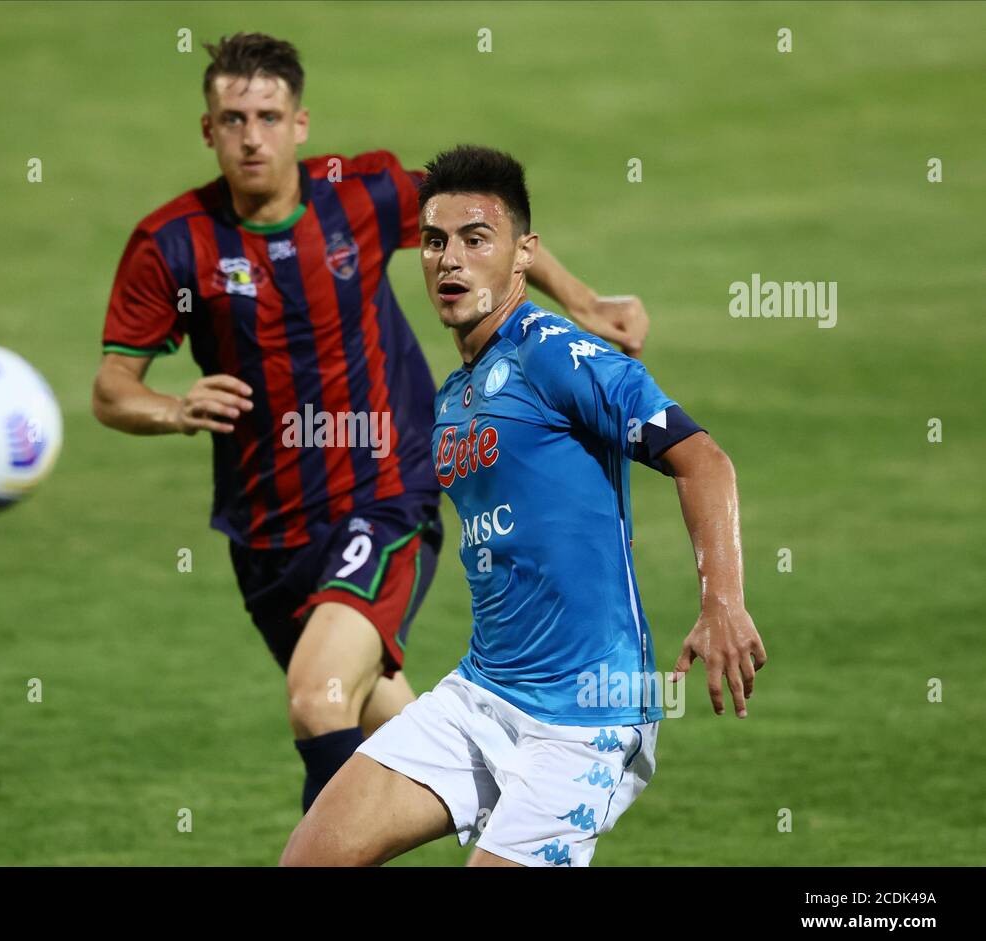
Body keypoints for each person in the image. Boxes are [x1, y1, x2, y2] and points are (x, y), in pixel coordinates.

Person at [92, 34, 653, 815]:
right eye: (231, 118)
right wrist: (176, 409)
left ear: (300, 124)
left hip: (384, 493)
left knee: (317, 698)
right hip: (266, 534)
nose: (250, 136)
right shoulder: (173, 243)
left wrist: (583, 302)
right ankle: (539, 810)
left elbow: (480, 220)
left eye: (267, 115)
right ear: (206, 129)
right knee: (393, 732)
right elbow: (113, 389)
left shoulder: (359, 194)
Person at [280, 145, 766, 866]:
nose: (451, 260)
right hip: (482, 694)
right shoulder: (454, 400)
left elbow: (703, 461)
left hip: (586, 721)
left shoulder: (559, 355)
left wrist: (721, 600)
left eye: (476, 240)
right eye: (435, 242)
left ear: (522, 254)